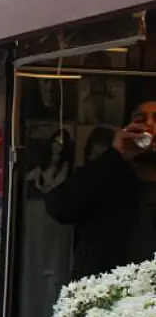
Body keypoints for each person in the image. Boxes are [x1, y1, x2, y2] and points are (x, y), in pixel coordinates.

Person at [47, 100, 156, 280]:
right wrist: (116, 155)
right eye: (141, 119)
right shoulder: (107, 178)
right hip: (106, 298)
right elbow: (58, 206)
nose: (150, 125)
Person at [26, 129, 74, 196]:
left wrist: (45, 187)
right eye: (55, 142)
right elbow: (33, 173)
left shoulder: (64, 166)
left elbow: (55, 185)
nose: (56, 146)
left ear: (64, 147)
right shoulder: (44, 158)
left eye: (60, 144)